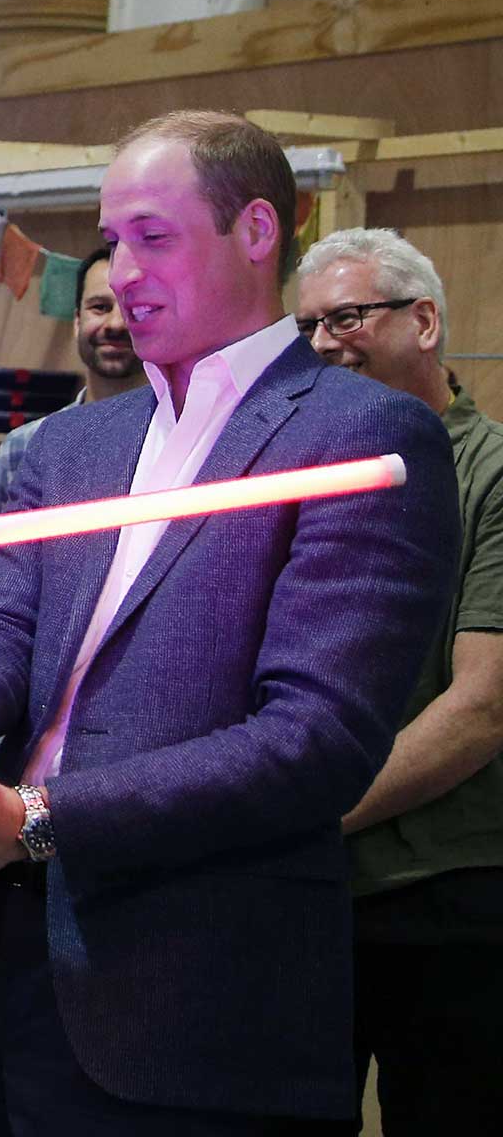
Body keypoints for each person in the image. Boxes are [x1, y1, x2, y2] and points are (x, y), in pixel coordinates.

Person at [0, 111, 459, 1134]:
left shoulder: (359, 436)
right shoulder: (76, 448)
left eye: (153, 236)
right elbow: (10, 625)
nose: (122, 269)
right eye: (111, 238)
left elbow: (313, 743)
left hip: (194, 997)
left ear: (256, 231)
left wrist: (35, 822)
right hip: (10, 956)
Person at [294, 227, 503, 1133]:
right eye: (306, 326)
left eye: (345, 317)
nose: (321, 344)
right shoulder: (306, 477)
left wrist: (301, 811)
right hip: (307, 892)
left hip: (444, 899)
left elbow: (481, 709)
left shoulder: (488, 476)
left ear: (423, 321)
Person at [0, 244, 142, 513]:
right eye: (100, 307)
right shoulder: (22, 449)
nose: (116, 324)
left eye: (133, 308)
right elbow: (1, 554)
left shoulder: (185, 447)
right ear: (77, 322)